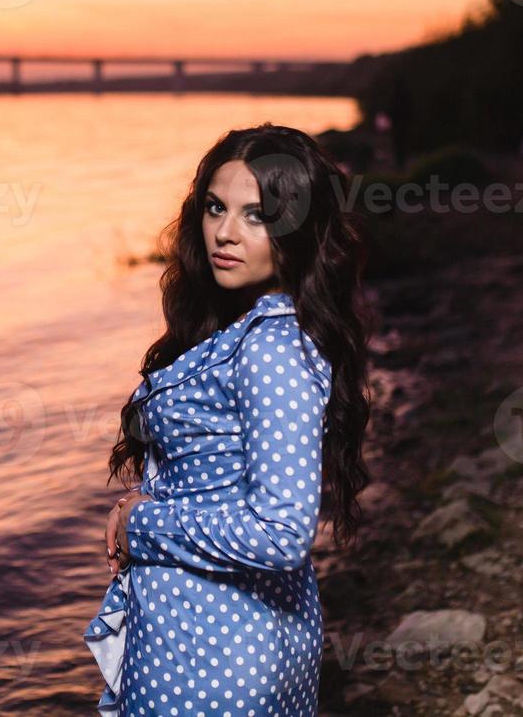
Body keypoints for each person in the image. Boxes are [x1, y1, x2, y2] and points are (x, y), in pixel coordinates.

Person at [84, 123, 373, 715]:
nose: (225, 232)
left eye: (256, 215)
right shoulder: (247, 331)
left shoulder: (270, 347)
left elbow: (281, 533)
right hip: (221, 638)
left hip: (213, 653)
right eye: (217, 208)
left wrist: (142, 522)